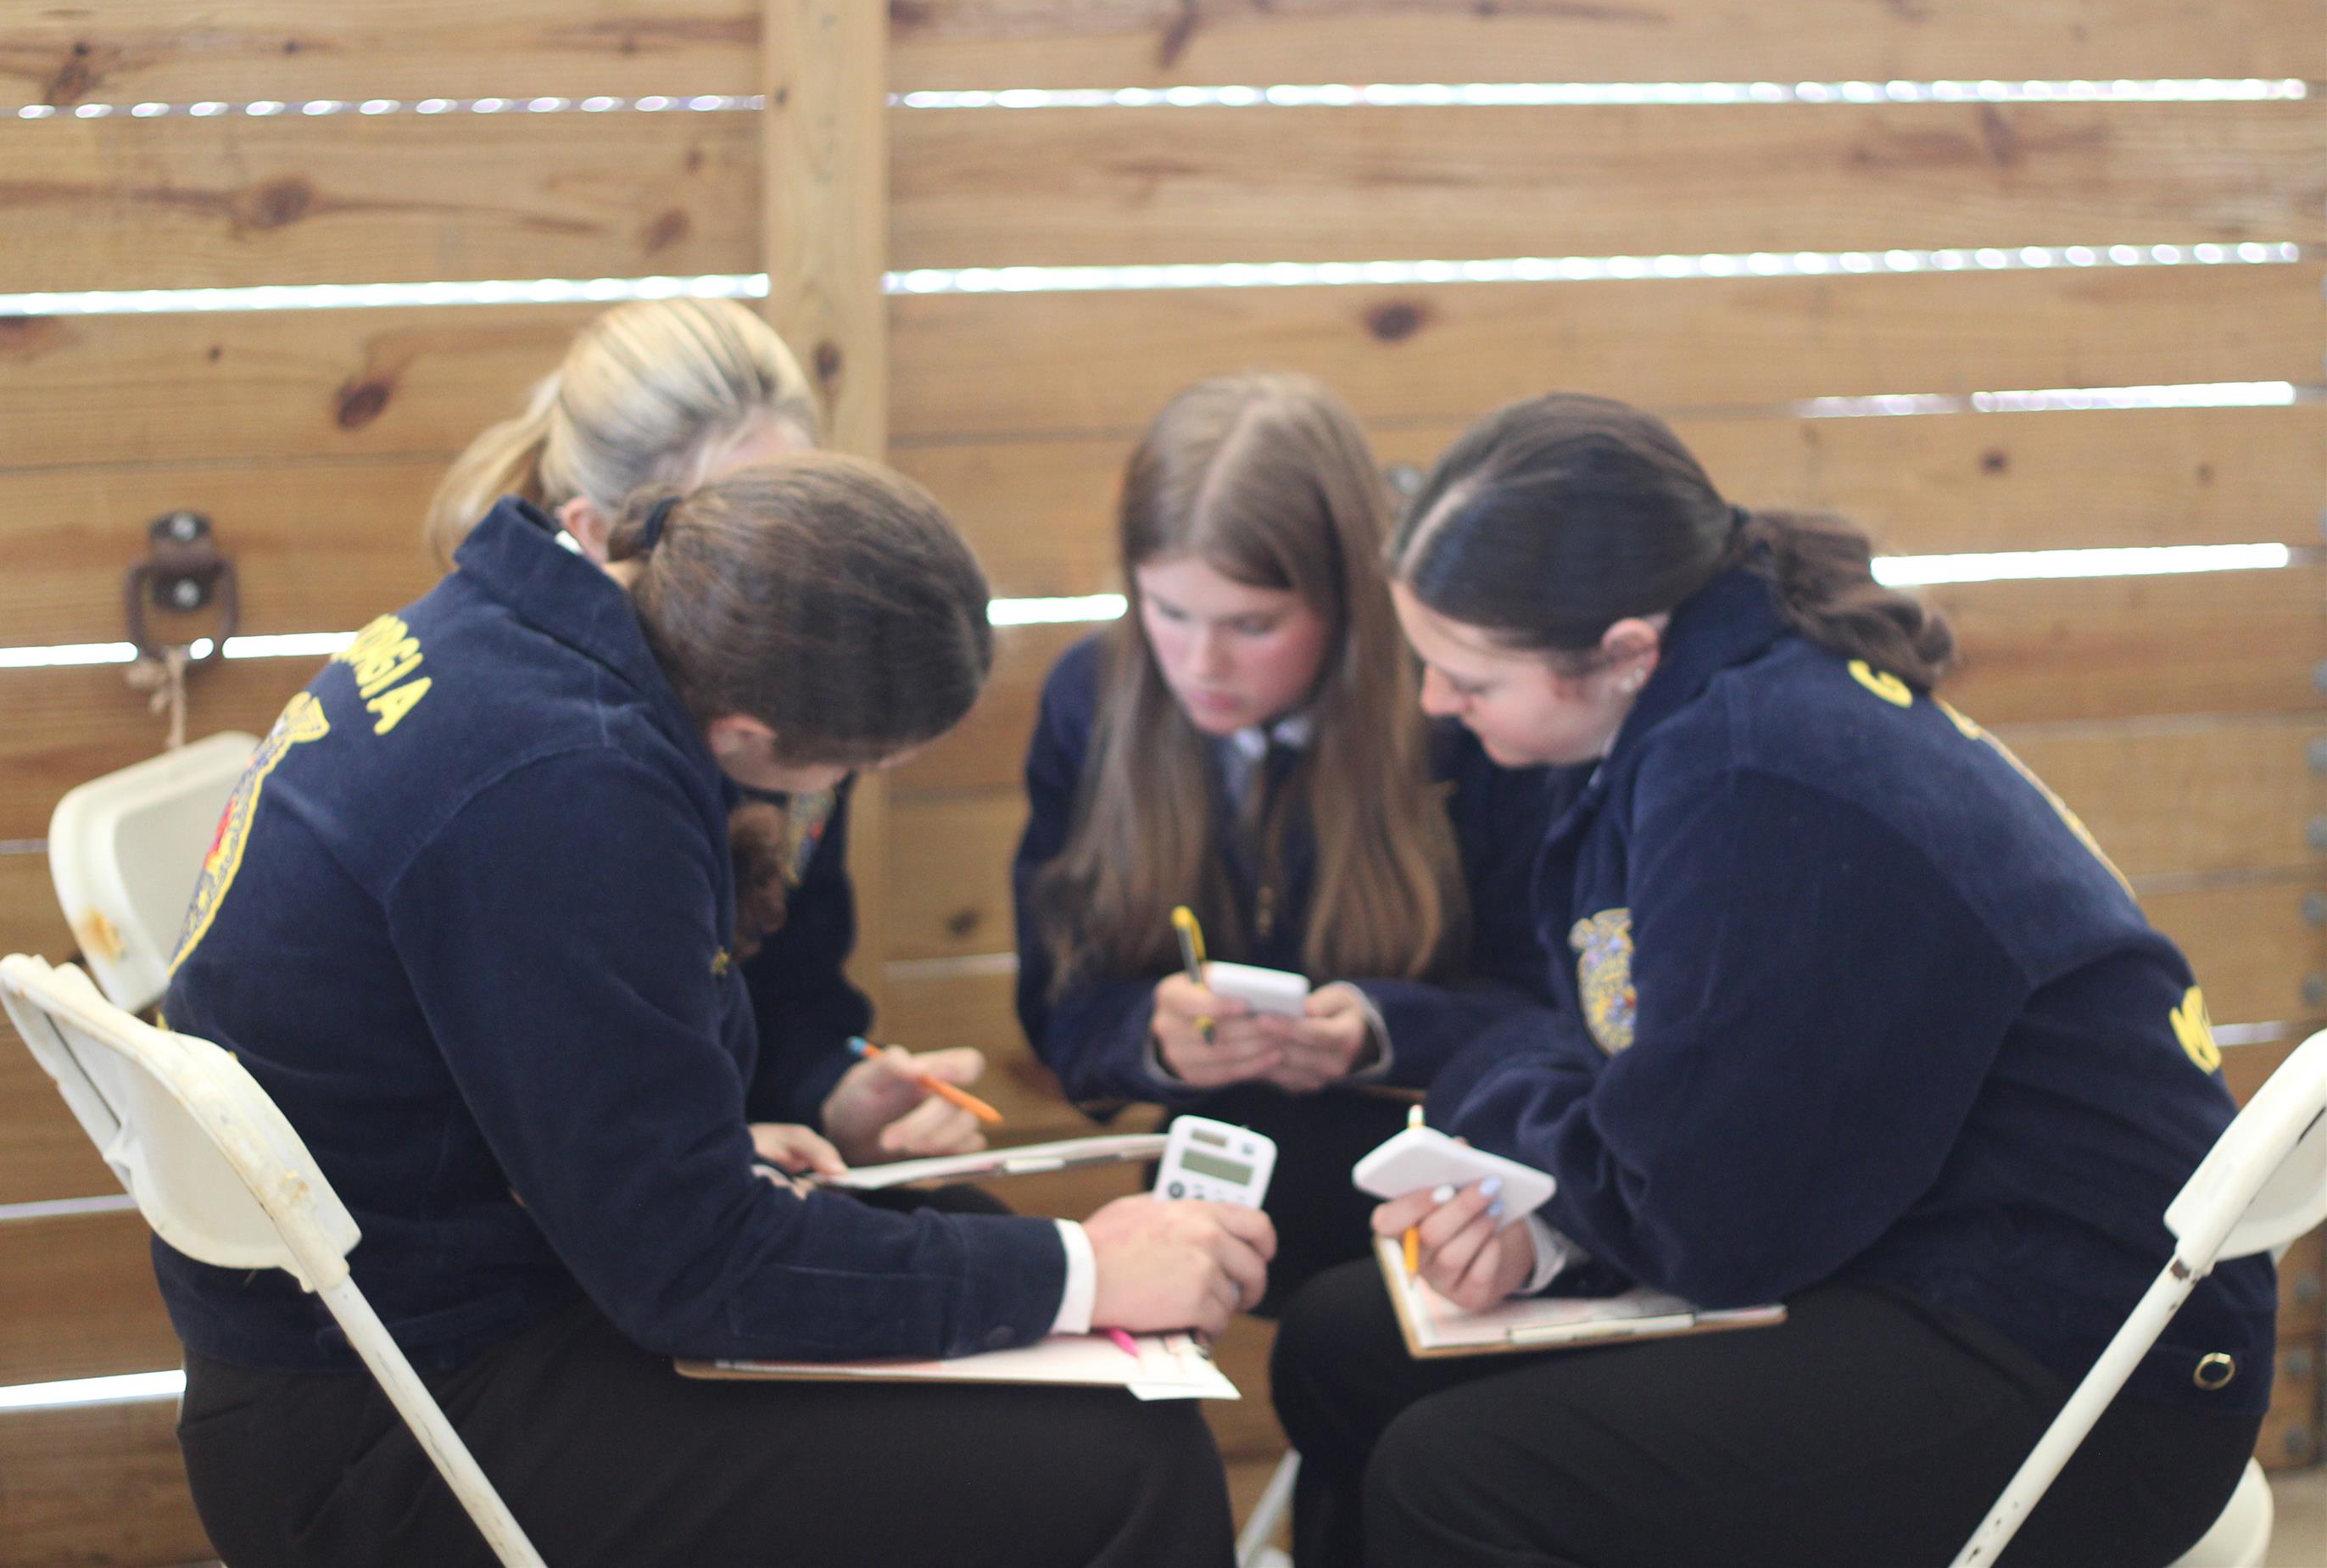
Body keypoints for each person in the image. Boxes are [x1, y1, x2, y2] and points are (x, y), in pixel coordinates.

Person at [161, 459, 1274, 1568]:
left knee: (968, 1247)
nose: (829, 797)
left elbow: (499, 1062)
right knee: (1131, 1453)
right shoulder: (573, 783)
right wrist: (1087, 1269)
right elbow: (690, 1271)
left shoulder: (505, 630)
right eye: (847, 769)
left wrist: (702, 1146)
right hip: (385, 1426)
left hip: (414, 1308)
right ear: (744, 733)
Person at [1269, 393, 2276, 1568]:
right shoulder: (1708, 707)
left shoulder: (1752, 771)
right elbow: (1648, 1092)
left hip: (2087, 1363)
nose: (1435, 704)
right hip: (1904, 1243)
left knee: (1454, 1477)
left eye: (1469, 678)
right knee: (1343, 1346)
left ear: (1625, 650)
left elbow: (1698, 1216)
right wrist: (1544, 1216)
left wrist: (1513, 1137)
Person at [1014, 372, 1551, 1310]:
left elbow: (1557, 1005)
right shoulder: (1090, 698)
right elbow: (1060, 1007)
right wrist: (1153, 1038)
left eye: (1252, 624)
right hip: (1221, 1146)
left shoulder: (1462, 705)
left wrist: (1382, 1031)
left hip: (1457, 1147)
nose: (1200, 664)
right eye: (1167, 611)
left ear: (1348, 597)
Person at [428, 296, 975, 1170]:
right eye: (721, 540)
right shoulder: (551, 756)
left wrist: (834, 1092)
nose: (783, 579)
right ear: (595, 536)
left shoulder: (794, 677)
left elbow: (786, 989)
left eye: (796, 522)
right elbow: (568, 1116)